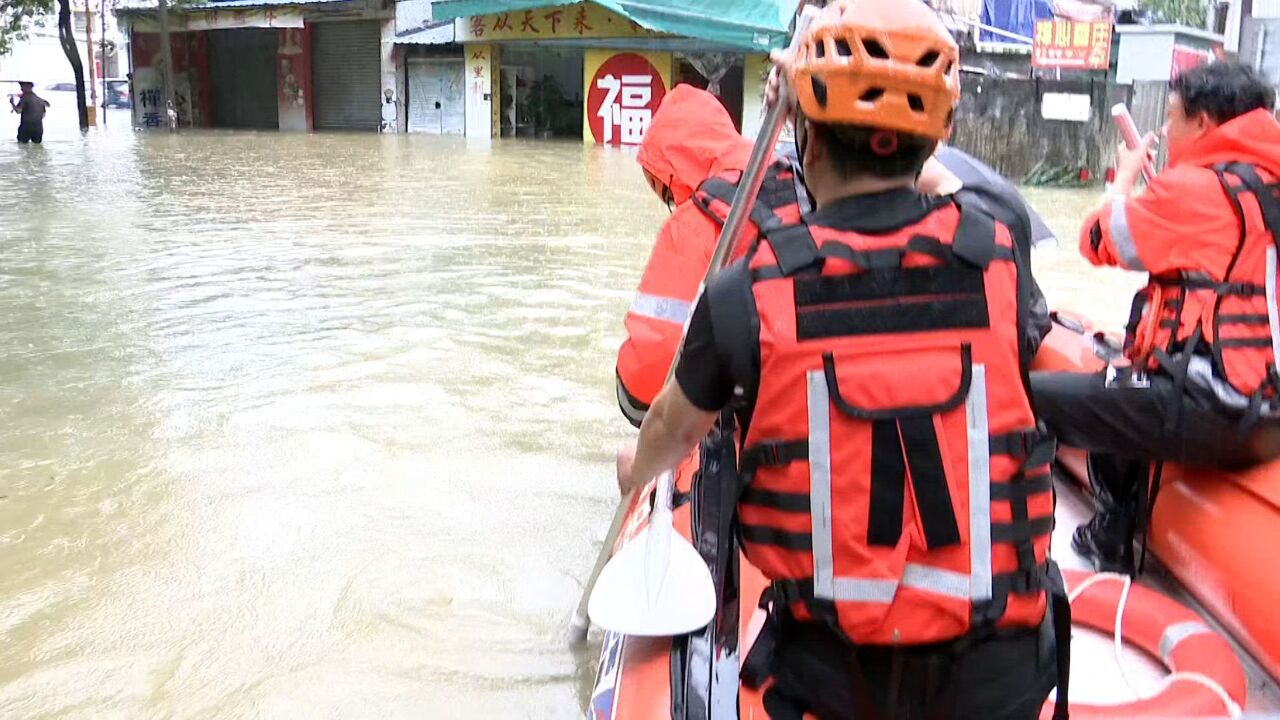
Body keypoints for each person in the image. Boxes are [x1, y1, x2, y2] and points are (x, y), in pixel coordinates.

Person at [617, 1, 1067, 718]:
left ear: (804, 143)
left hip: (837, 679)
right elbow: (961, 203)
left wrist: (638, 477)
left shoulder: (745, 296)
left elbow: (664, 432)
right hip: (1000, 675)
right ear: (938, 142)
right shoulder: (1000, 257)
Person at [1031, 62, 1280, 575]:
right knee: (1132, 371)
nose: (1166, 131)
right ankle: (1114, 532)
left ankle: (1033, 545)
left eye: (1172, 118)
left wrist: (1124, 178)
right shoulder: (1264, 188)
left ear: (1205, 124)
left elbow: (1097, 241)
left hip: (1217, 409)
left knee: (1029, 396)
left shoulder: (1195, 190)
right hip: (1267, 412)